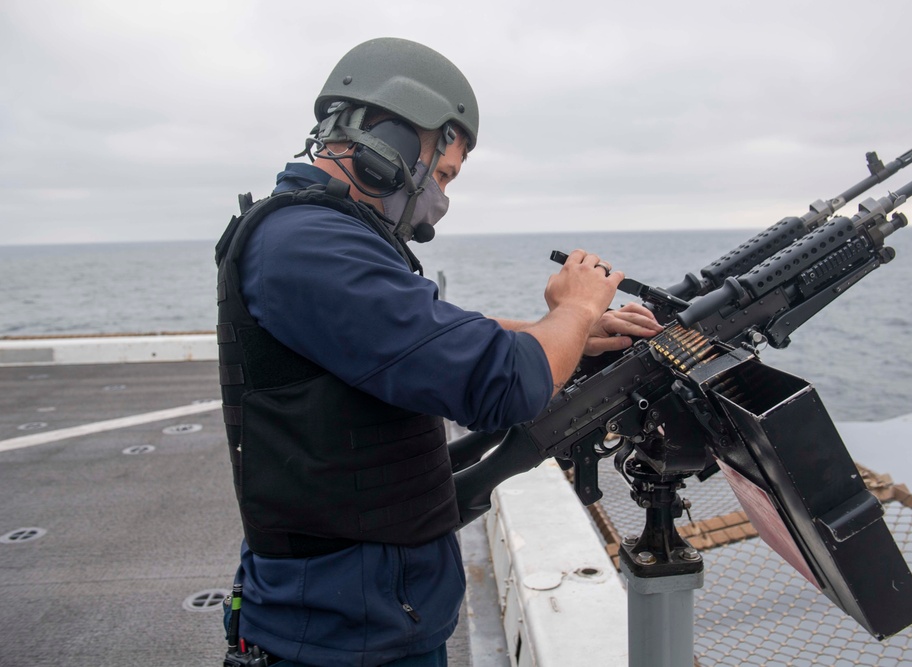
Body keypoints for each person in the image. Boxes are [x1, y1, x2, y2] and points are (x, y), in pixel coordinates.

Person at [215, 37, 662, 667]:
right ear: (391, 141)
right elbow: (504, 385)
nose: (441, 200)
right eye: (444, 172)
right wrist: (578, 307)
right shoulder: (307, 242)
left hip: (363, 614)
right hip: (346, 634)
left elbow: (433, 331)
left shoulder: (320, 233)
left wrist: (558, 331)